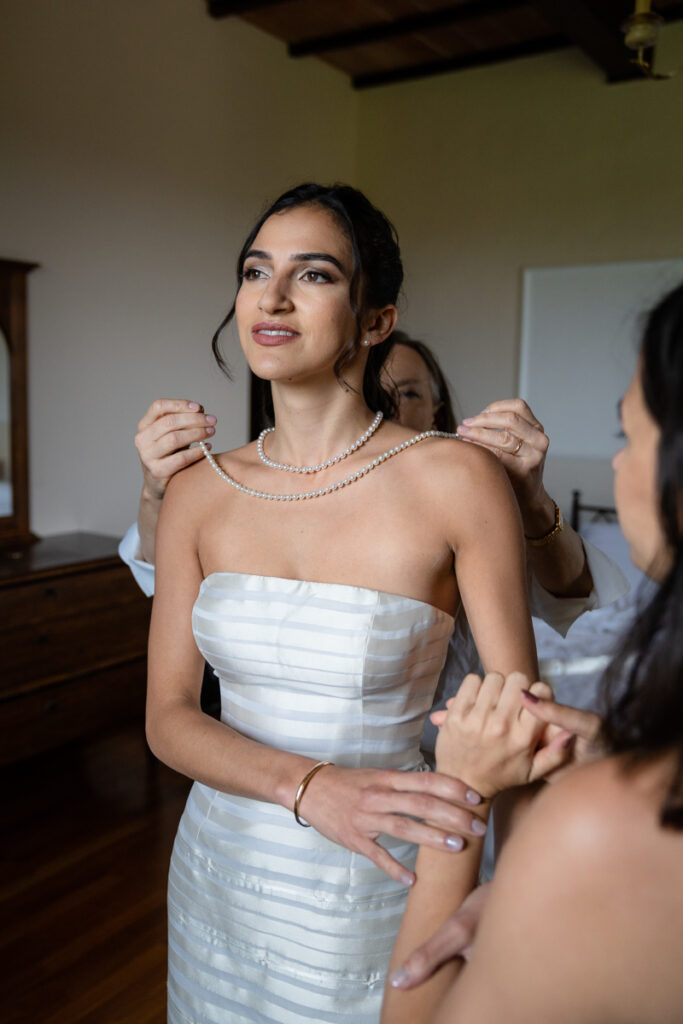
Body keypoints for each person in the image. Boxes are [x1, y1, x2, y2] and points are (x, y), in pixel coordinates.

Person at [144, 182, 542, 1023]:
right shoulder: (195, 491)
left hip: (382, 869)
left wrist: (520, 893)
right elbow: (169, 717)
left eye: (314, 274)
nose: (273, 296)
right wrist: (311, 787)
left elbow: (514, 716)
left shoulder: (453, 478)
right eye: (257, 270)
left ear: (375, 321)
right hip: (223, 865)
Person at [382, 281, 683, 1024]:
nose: (615, 465)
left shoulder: (598, 826)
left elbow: (582, 606)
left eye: (626, 437)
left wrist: (470, 806)